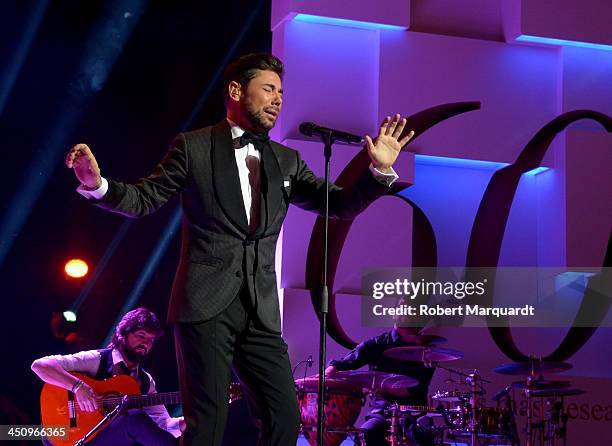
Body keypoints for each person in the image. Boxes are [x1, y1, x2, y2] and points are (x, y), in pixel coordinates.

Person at [64, 52, 414, 446]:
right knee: (207, 424)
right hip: (204, 303)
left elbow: (340, 205)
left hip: (260, 309)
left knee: (284, 417)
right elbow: (145, 198)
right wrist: (98, 185)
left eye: (281, 92)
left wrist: (379, 170)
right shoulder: (194, 147)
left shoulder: (286, 160)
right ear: (235, 90)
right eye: (268, 89)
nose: (278, 98)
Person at [31, 307, 184, 445]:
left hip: (105, 440)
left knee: (136, 422)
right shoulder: (97, 359)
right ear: (123, 334)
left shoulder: (145, 382)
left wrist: (186, 423)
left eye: (151, 340)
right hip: (68, 436)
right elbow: (40, 366)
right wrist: (78, 387)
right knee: (134, 419)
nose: (146, 343)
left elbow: (163, 426)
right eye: (141, 335)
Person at [326, 325, 436, 446]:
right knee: (366, 434)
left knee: (425, 437)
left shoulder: (426, 351)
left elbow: (411, 390)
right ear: (395, 314)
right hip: (382, 412)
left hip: (416, 413)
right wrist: (329, 371)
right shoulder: (376, 344)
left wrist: (378, 387)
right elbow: (342, 364)